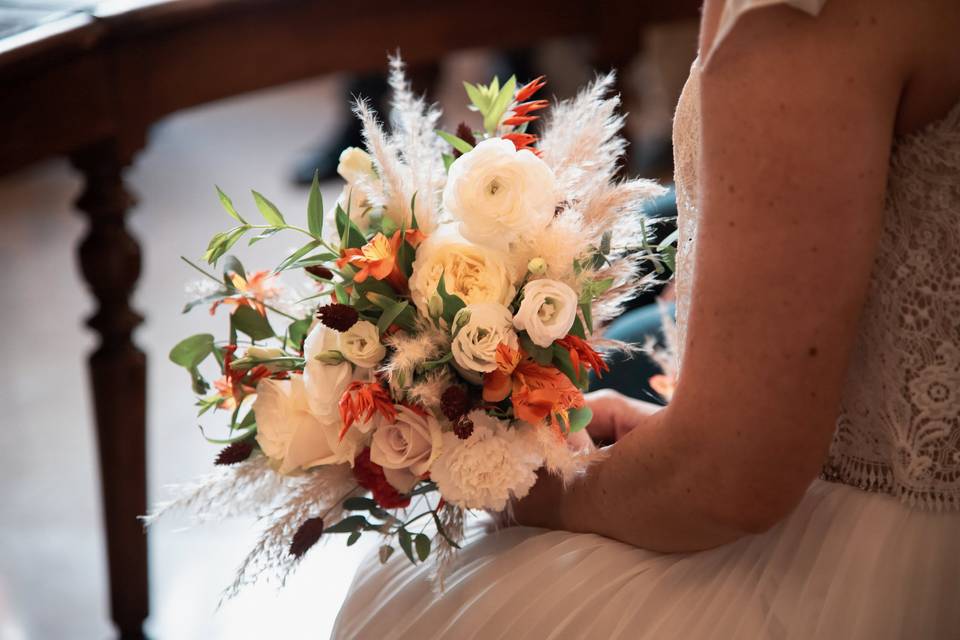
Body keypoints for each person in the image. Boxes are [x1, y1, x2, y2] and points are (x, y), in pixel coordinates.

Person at [334, 0, 960, 636]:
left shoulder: (801, 21)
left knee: (423, 602)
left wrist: (552, 497)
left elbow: (729, 477)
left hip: (882, 558)